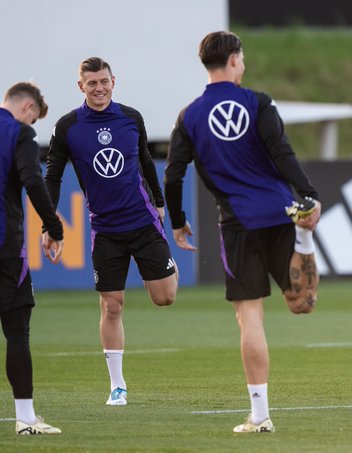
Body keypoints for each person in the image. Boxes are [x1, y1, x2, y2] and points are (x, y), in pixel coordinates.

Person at [164, 31, 321, 434]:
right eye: (243, 58)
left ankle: (260, 415)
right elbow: (282, 153)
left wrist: (179, 220)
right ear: (234, 60)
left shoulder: (190, 116)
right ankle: (305, 236)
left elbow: (174, 174)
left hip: (237, 224)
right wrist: (308, 195)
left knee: (249, 317)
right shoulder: (258, 102)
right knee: (303, 305)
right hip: (279, 211)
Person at [44, 57, 178, 407]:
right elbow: (53, 176)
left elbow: (147, 161)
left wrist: (160, 202)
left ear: (113, 81)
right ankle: (117, 386)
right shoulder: (68, 127)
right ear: (81, 87)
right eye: (92, 83)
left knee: (164, 298)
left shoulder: (131, 118)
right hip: (105, 230)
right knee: (112, 306)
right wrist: (49, 221)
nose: (99, 88)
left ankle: (167, 265)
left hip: (144, 221)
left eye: (104, 81)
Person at [1, 82, 64, 434]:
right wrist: (54, 227)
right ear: (28, 107)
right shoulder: (19, 134)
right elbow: (32, 180)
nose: (32, 124)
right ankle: (25, 419)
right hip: (5, 247)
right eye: (34, 118)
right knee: (16, 329)